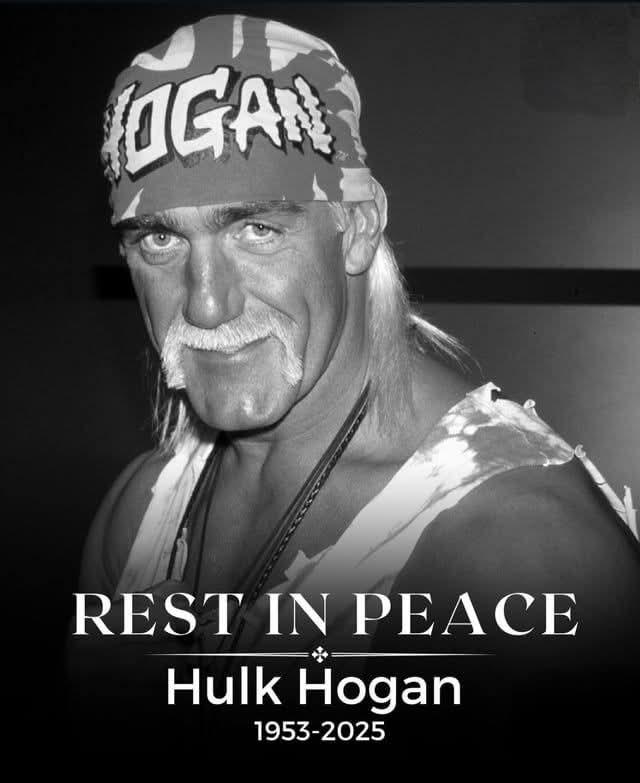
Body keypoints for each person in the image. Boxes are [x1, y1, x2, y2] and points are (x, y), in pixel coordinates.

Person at [71, 13, 639, 756]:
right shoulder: (140, 514)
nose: (205, 303)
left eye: (257, 230)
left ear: (359, 227)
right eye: (160, 238)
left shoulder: (522, 555)